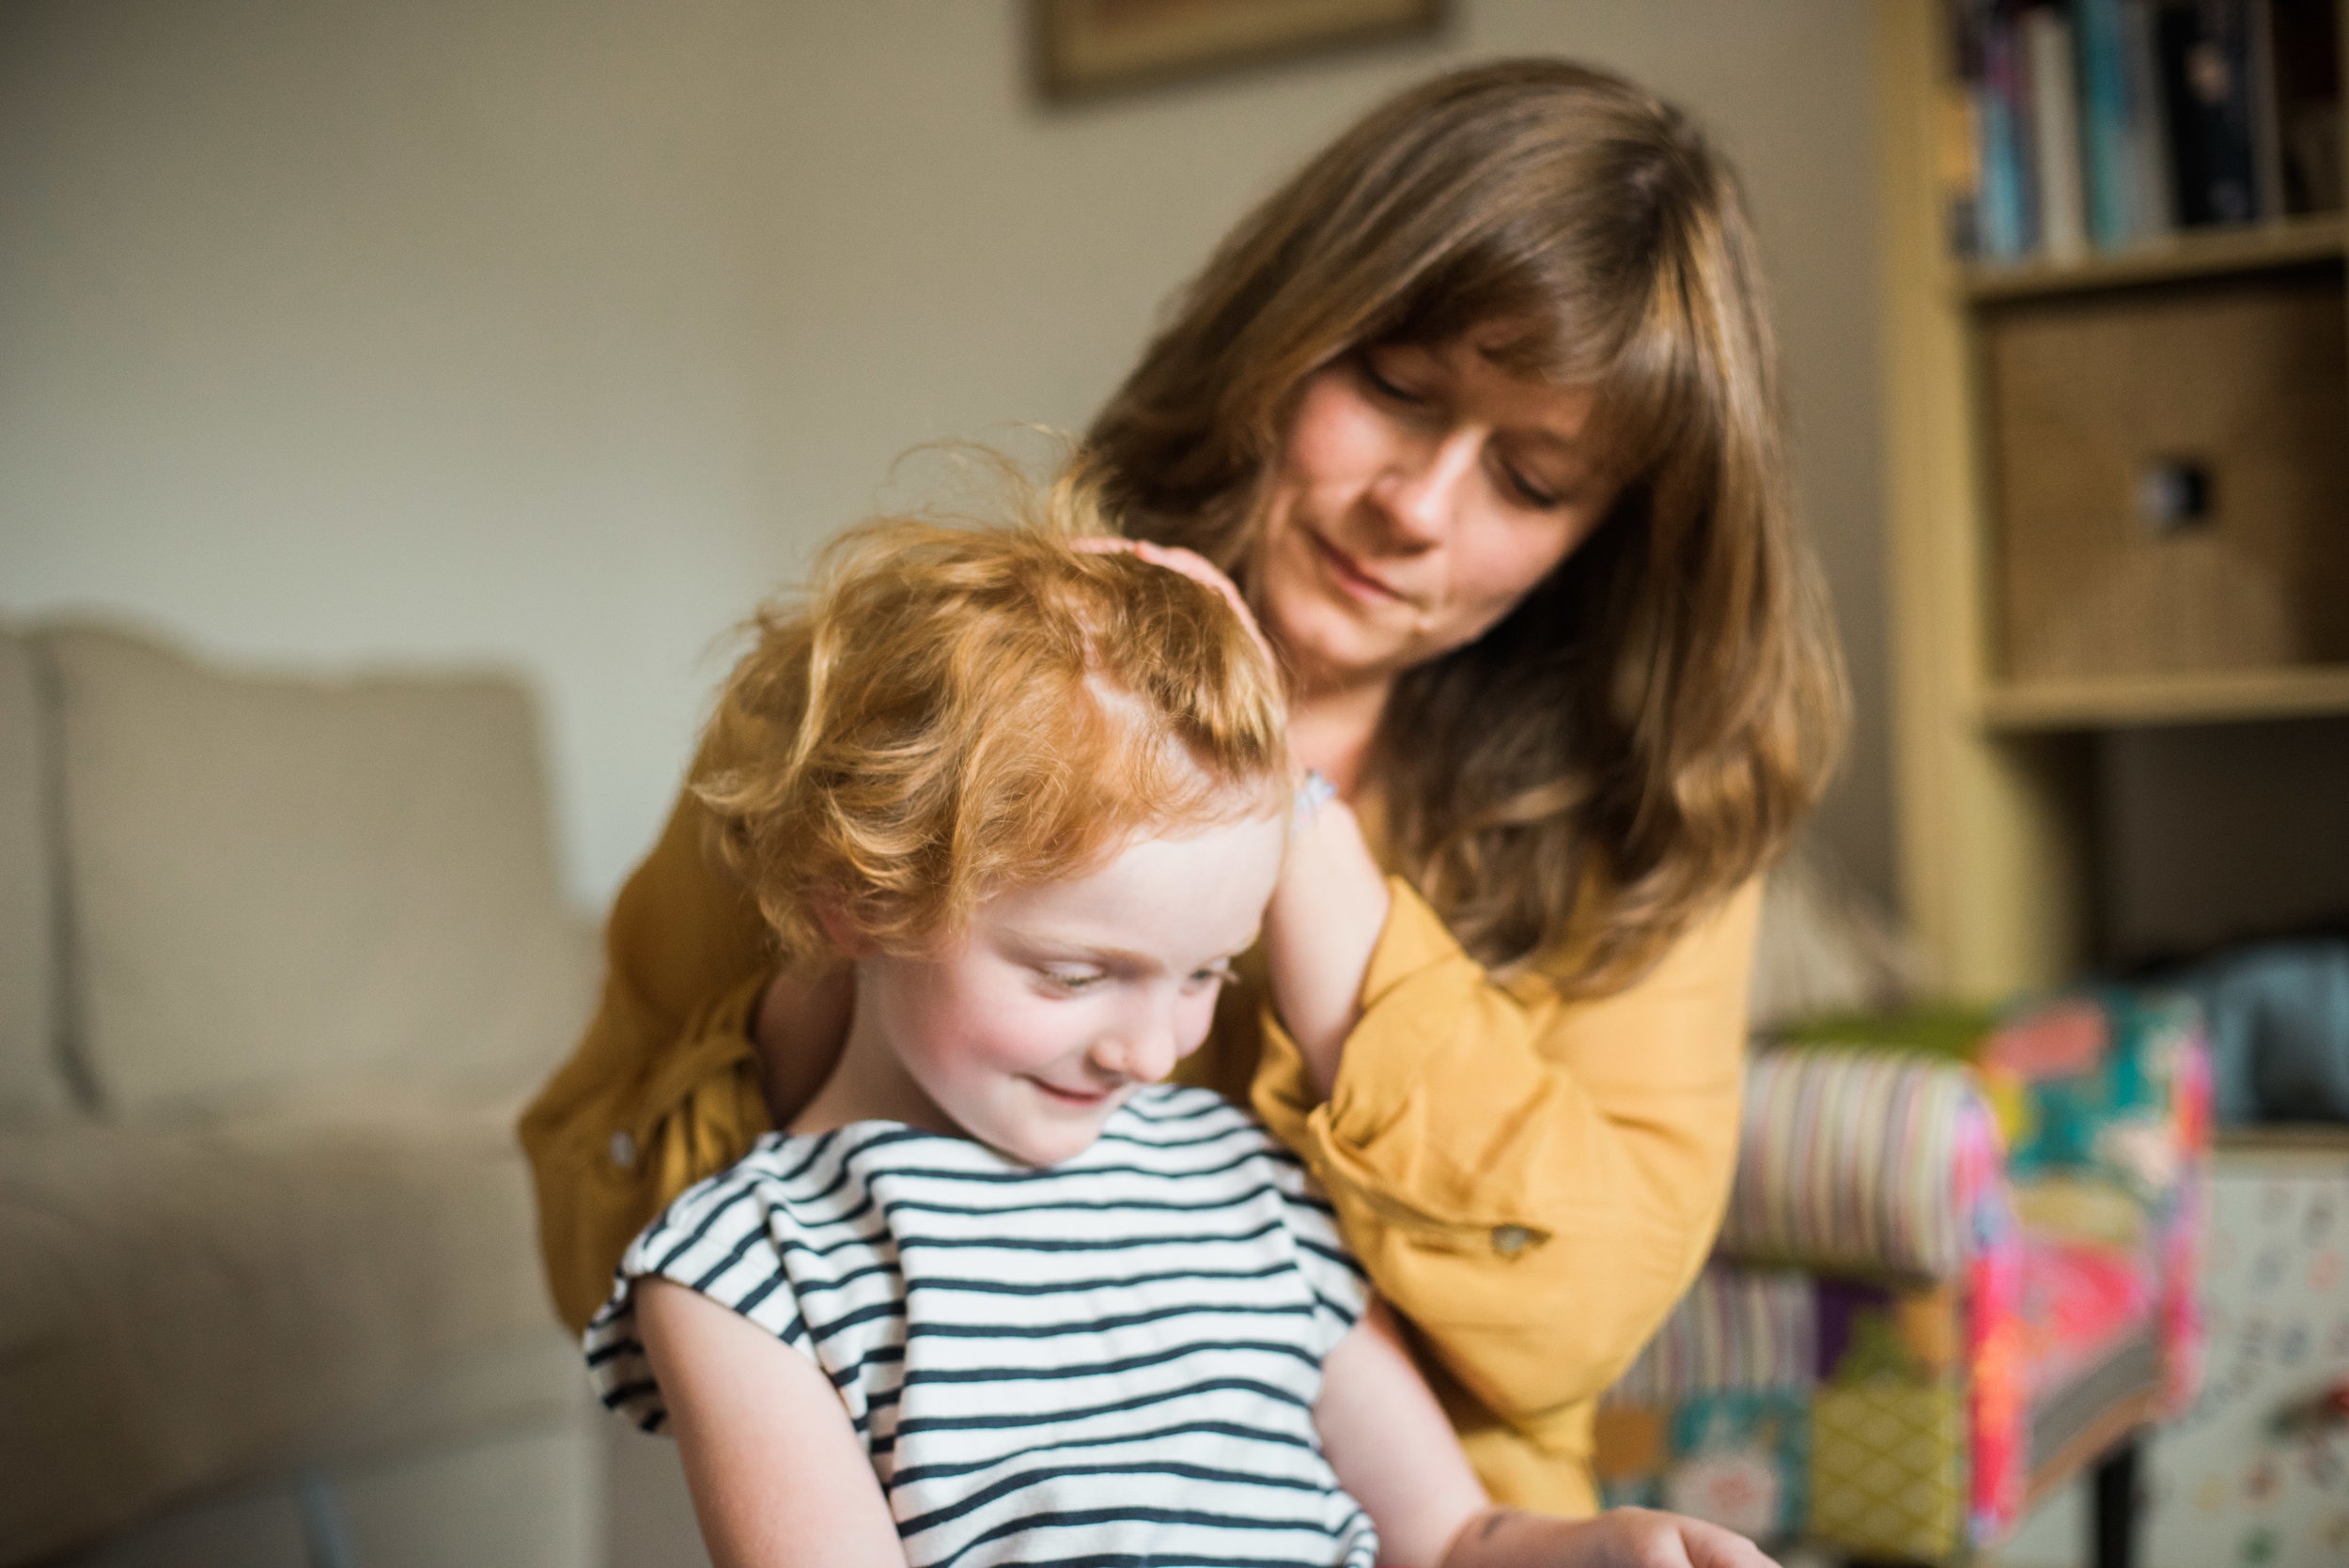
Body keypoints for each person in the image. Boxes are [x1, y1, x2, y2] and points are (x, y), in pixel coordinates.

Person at [523, 57, 1847, 1514]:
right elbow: (600, 1235)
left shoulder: (1655, 816)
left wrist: (1316, 881)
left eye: (1529, 482)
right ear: (1285, 332)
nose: (1414, 508)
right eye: (1396, 389)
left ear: (1611, 536)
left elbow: (1579, 1317)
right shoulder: (892, 692)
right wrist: (877, 919)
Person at [583, 505, 1775, 1568]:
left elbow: (1454, 1537)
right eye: (1076, 973)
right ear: (857, 898)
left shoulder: (1249, 1183)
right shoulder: (746, 1267)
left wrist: (1601, 1547)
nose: (1151, 1051)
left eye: (1206, 973)